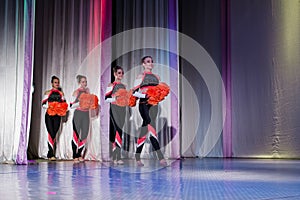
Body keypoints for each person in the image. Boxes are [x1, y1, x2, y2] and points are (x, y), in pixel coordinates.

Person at [132, 56, 168, 167]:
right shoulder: (140, 76)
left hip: (154, 106)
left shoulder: (157, 77)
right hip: (143, 105)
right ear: (143, 64)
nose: (150, 63)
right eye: (148, 62)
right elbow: (134, 92)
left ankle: (137, 156)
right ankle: (160, 156)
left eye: (152, 61)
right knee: (151, 126)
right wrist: (145, 95)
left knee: (144, 130)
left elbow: (159, 92)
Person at [70, 75, 96, 162]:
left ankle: (79, 153)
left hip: (86, 115)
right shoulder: (76, 92)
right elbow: (71, 105)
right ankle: (74, 155)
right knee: (76, 135)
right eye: (83, 82)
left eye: (85, 82)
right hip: (78, 114)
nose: (85, 83)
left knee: (84, 134)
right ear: (79, 83)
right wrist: (81, 103)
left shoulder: (88, 91)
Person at [105, 66, 128, 165]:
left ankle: (115, 155)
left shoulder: (124, 86)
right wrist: (116, 98)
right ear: (114, 74)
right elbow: (106, 99)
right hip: (114, 108)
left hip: (122, 109)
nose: (121, 75)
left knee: (119, 131)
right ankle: (118, 156)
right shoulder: (111, 85)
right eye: (119, 73)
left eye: (122, 73)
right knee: (118, 130)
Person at [42, 76, 68, 161]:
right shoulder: (47, 92)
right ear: (52, 83)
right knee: (51, 133)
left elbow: (64, 105)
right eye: (55, 82)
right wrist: (51, 106)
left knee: (54, 133)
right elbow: (43, 104)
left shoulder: (61, 94)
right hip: (49, 115)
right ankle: (51, 153)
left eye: (58, 82)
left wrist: (61, 109)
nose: (57, 84)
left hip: (57, 116)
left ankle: (50, 154)